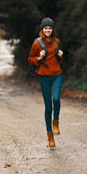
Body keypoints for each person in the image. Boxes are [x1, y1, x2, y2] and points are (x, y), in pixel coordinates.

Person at [28, 17, 63, 149]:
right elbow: (30, 58)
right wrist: (39, 57)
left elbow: (58, 60)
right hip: (44, 77)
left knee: (56, 99)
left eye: (50, 28)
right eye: (46, 28)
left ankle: (56, 122)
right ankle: (50, 135)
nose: (48, 30)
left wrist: (60, 55)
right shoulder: (37, 44)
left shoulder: (57, 42)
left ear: (52, 30)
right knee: (48, 107)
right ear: (42, 29)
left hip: (57, 75)